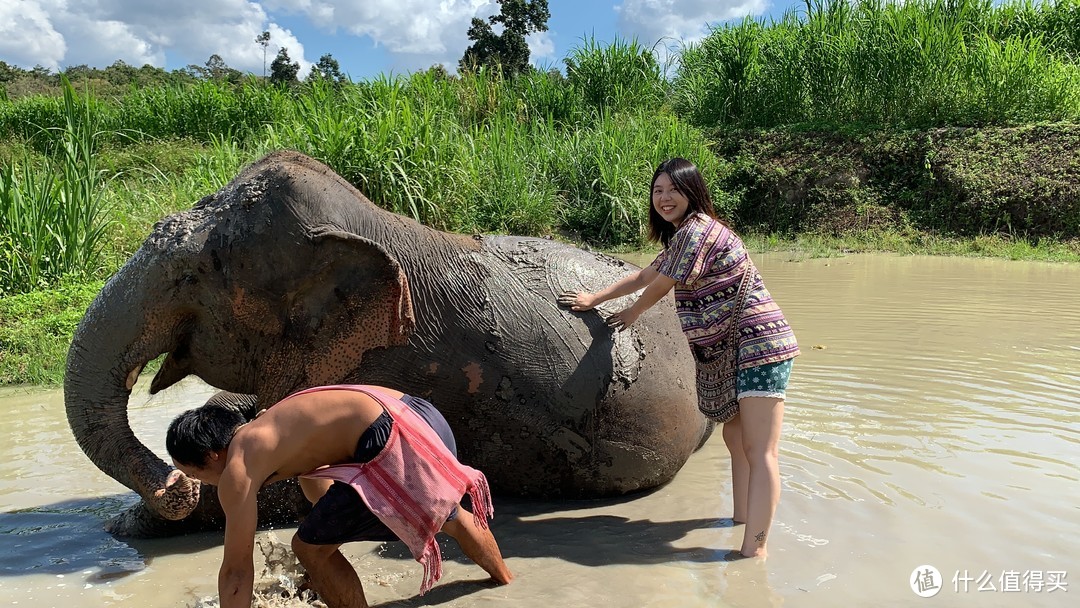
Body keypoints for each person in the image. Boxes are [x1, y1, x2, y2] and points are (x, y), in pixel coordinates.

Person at [557, 158, 799, 559]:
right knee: (735, 437)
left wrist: (632, 314)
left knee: (760, 450)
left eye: (673, 190)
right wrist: (595, 298)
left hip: (760, 347)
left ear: (693, 192)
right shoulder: (680, 238)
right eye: (658, 191)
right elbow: (643, 276)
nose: (664, 198)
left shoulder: (698, 232)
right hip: (734, 350)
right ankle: (741, 520)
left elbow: (661, 287)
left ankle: (755, 550)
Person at [166, 384, 513, 608]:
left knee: (306, 548)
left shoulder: (237, 467)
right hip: (420, 416)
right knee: (449, 514)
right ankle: (505, 584)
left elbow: (236, 572)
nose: (202, 482)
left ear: (212, 455)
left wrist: (317, 555)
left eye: (195, 473)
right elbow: (322, 491)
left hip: (391, 438)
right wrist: (324, 554)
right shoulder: (271, 426)